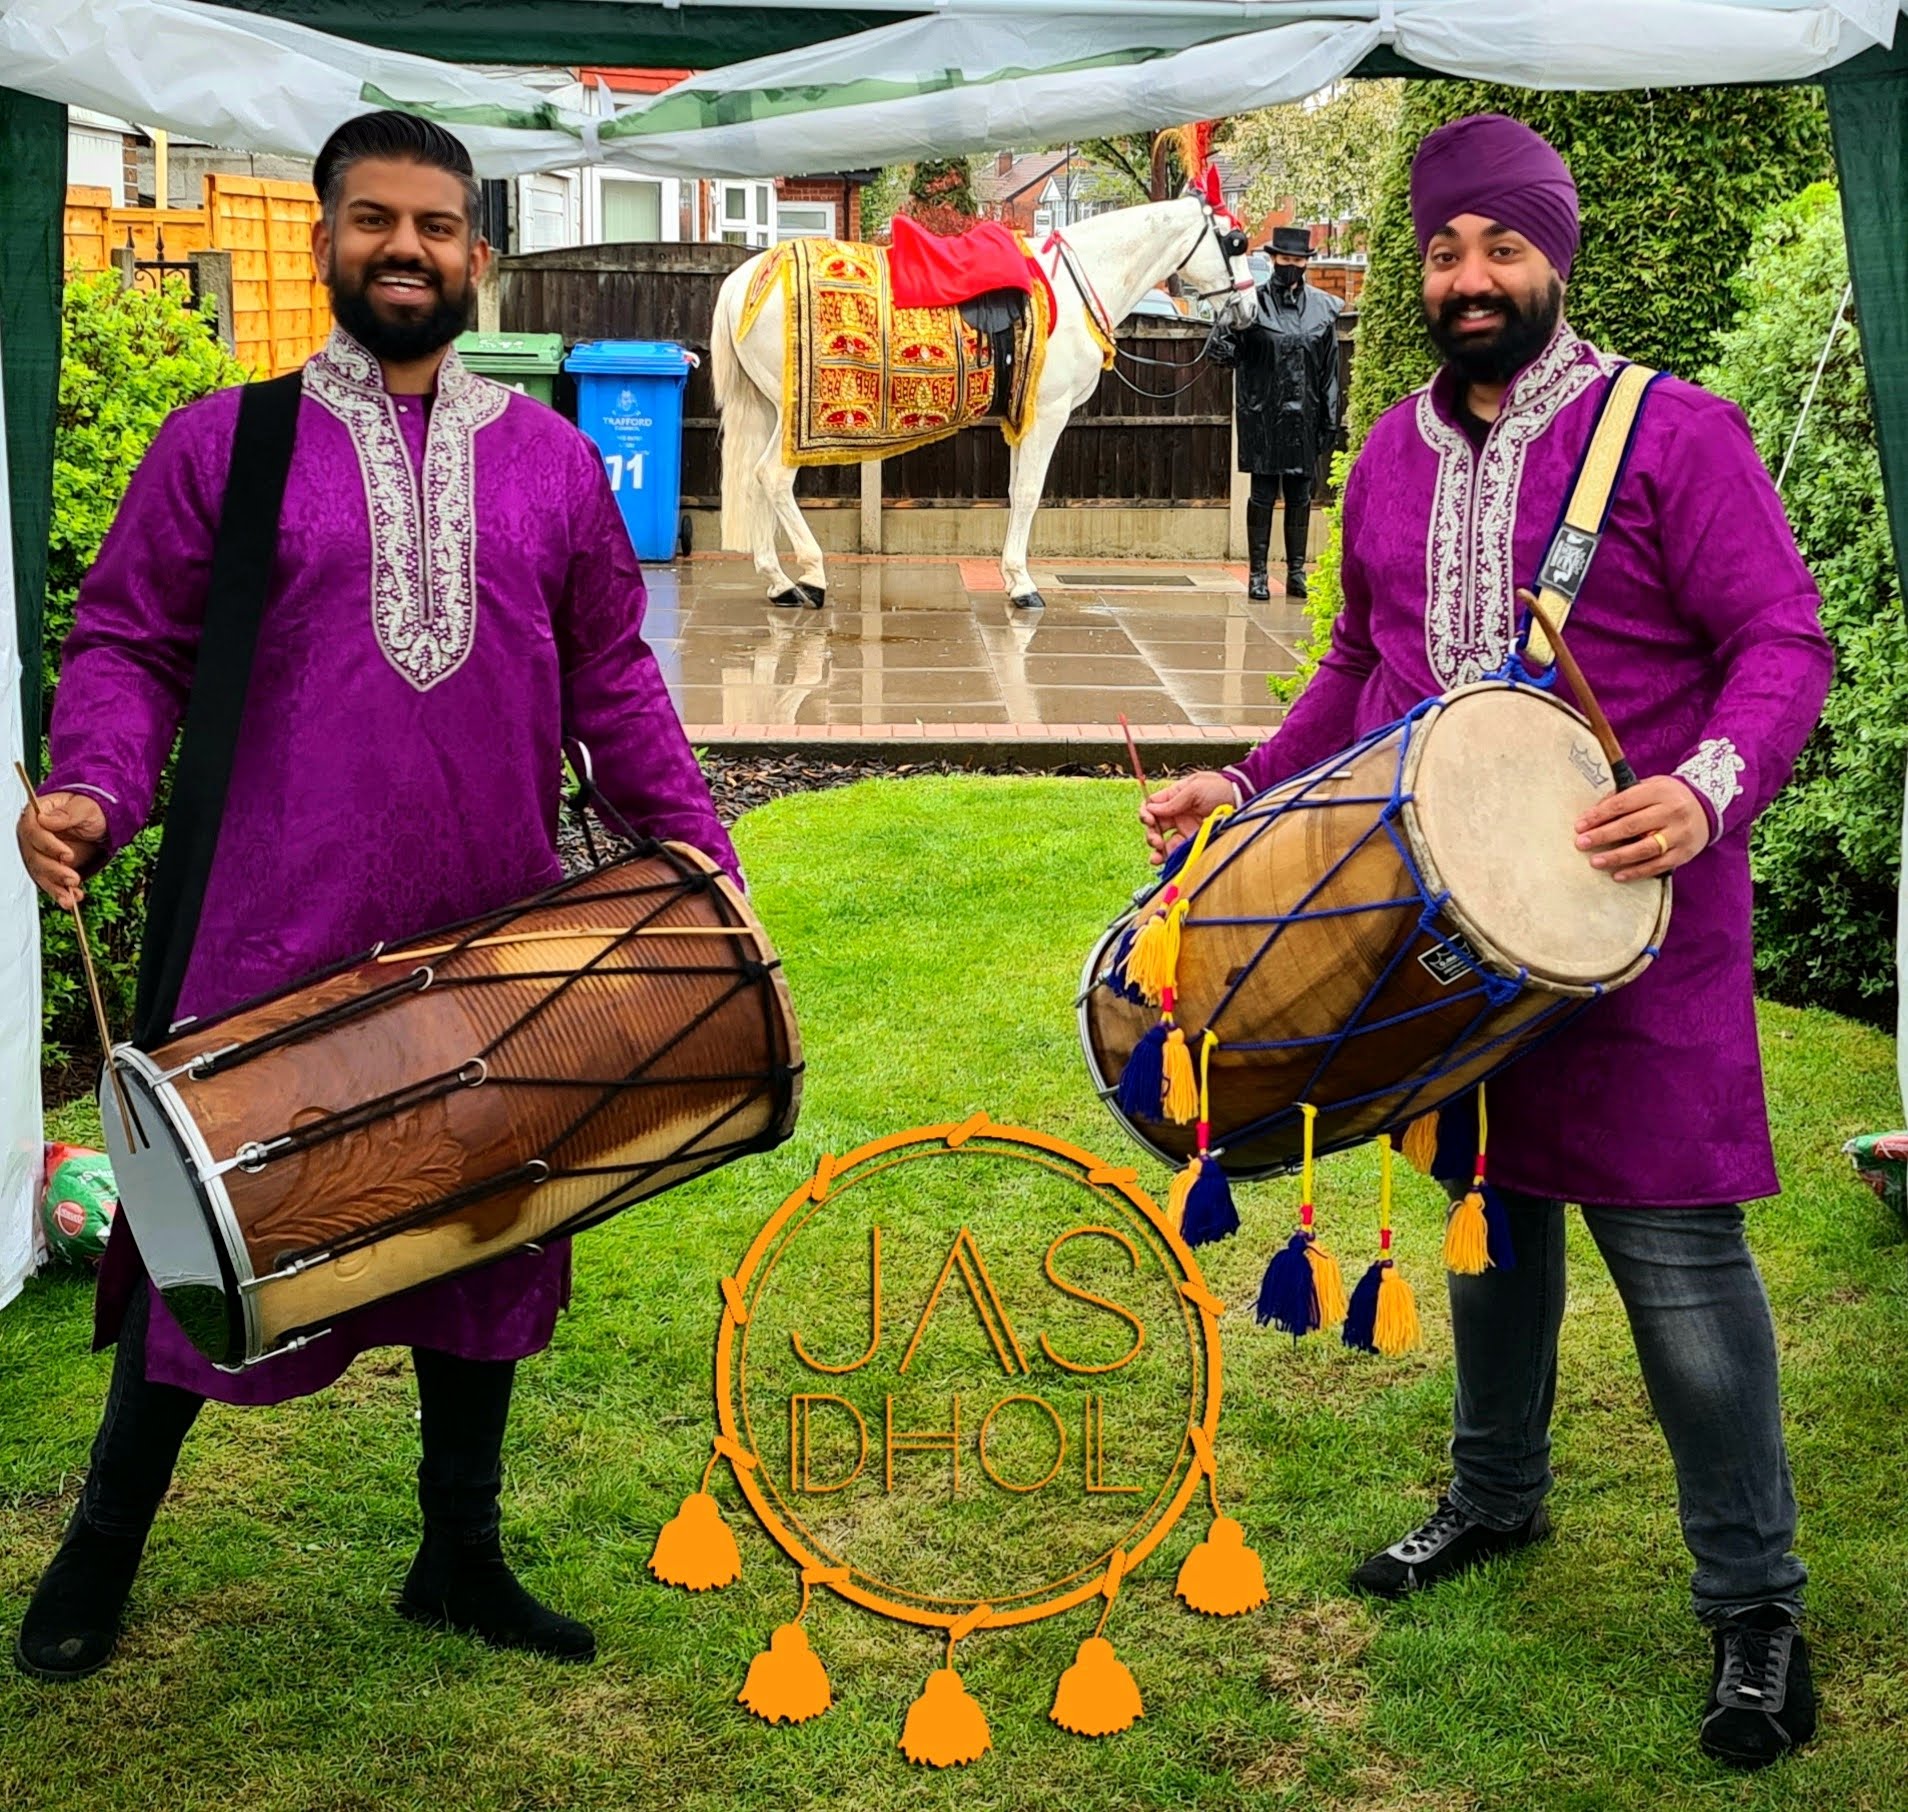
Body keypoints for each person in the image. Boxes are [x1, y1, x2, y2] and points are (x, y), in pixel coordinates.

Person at [1141, 114, 1831, 1771]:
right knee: (1491, 1225)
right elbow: (1358, 663)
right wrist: (1246, 782)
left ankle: (1753, 1603)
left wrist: (1704, 789)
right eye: (1445, 249)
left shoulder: (1673, 432)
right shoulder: (1389, 450)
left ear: (1553, 258)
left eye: (1499, 247)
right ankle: (1495, 1492)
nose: (1467, 277)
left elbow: (1781, 639)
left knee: (1676, 1267)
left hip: (1635, 932)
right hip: (1438, 942)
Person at [11, 111, 738, 1681]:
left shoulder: (548, 462)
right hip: (275, 936)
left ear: (478, 253)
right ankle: (100, 1549)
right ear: (326, 237)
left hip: (492, 937)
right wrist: (96, 787)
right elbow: (128, 639)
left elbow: (614, 682)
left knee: (490, 1231)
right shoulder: (225, 444)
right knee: (208, 1241)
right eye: (373, 220)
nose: (406, 248)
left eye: (435, 224)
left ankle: (457, 1558)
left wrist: (702, 873)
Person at [1211, 224, 1342, 602]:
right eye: (1285, 259)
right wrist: (1223, 337)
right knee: (1263, 494)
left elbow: (1330, 371)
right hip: (1263, 414)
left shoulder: (1323, 308)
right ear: (1273, 260)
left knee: (1301, 495)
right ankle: (1258, 573)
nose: (1291, 266)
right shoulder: (1252, 305)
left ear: (1306, 263)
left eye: (1298, 260)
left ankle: (1297, 571)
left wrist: (1330, 419)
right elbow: (1226, 353)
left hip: (1305, 416)